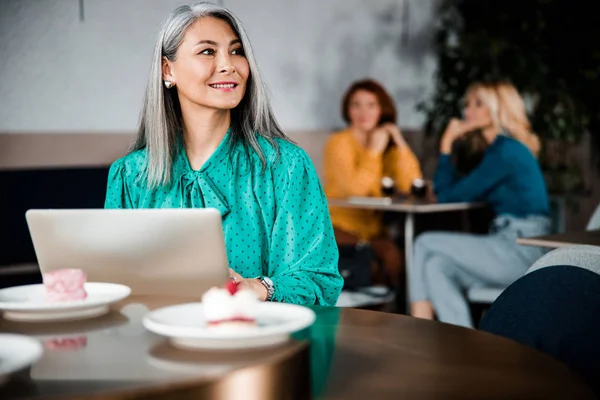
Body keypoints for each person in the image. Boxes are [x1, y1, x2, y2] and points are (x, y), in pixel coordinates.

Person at [104, 2, 343, 306]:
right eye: (207, 51)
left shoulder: (285, 166)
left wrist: (260, 288)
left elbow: (318, 279)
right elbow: (115, 285)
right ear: (168, 69)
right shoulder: (129, 176)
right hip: (160, 346)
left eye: (236, 51)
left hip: (261, 346)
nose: (228, 65)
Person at [409, 81, 551, 327]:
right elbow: (451, 192)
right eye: (467, 104)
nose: (468, 111)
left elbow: (446, 196)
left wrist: (445, 147)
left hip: (522, 249)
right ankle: (464, 350)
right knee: (436, 266)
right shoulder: (496, 152)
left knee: (423, 242)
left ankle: (416, 329)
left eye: (478, 103)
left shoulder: (506, 152)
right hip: (505, 242)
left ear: (497, 109)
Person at [323, 79, 422, 288]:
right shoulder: (339, 143)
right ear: (347, 110)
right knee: (380, 261)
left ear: (382, 110)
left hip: (374, 231)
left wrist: (399, 142)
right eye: (355, 105)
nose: (363, 112)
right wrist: (374, 151)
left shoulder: (386, 143)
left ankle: (394, 315)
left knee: (399, 257)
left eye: (371, 105)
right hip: (339, 228)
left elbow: (412, 185)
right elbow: (355, 190)